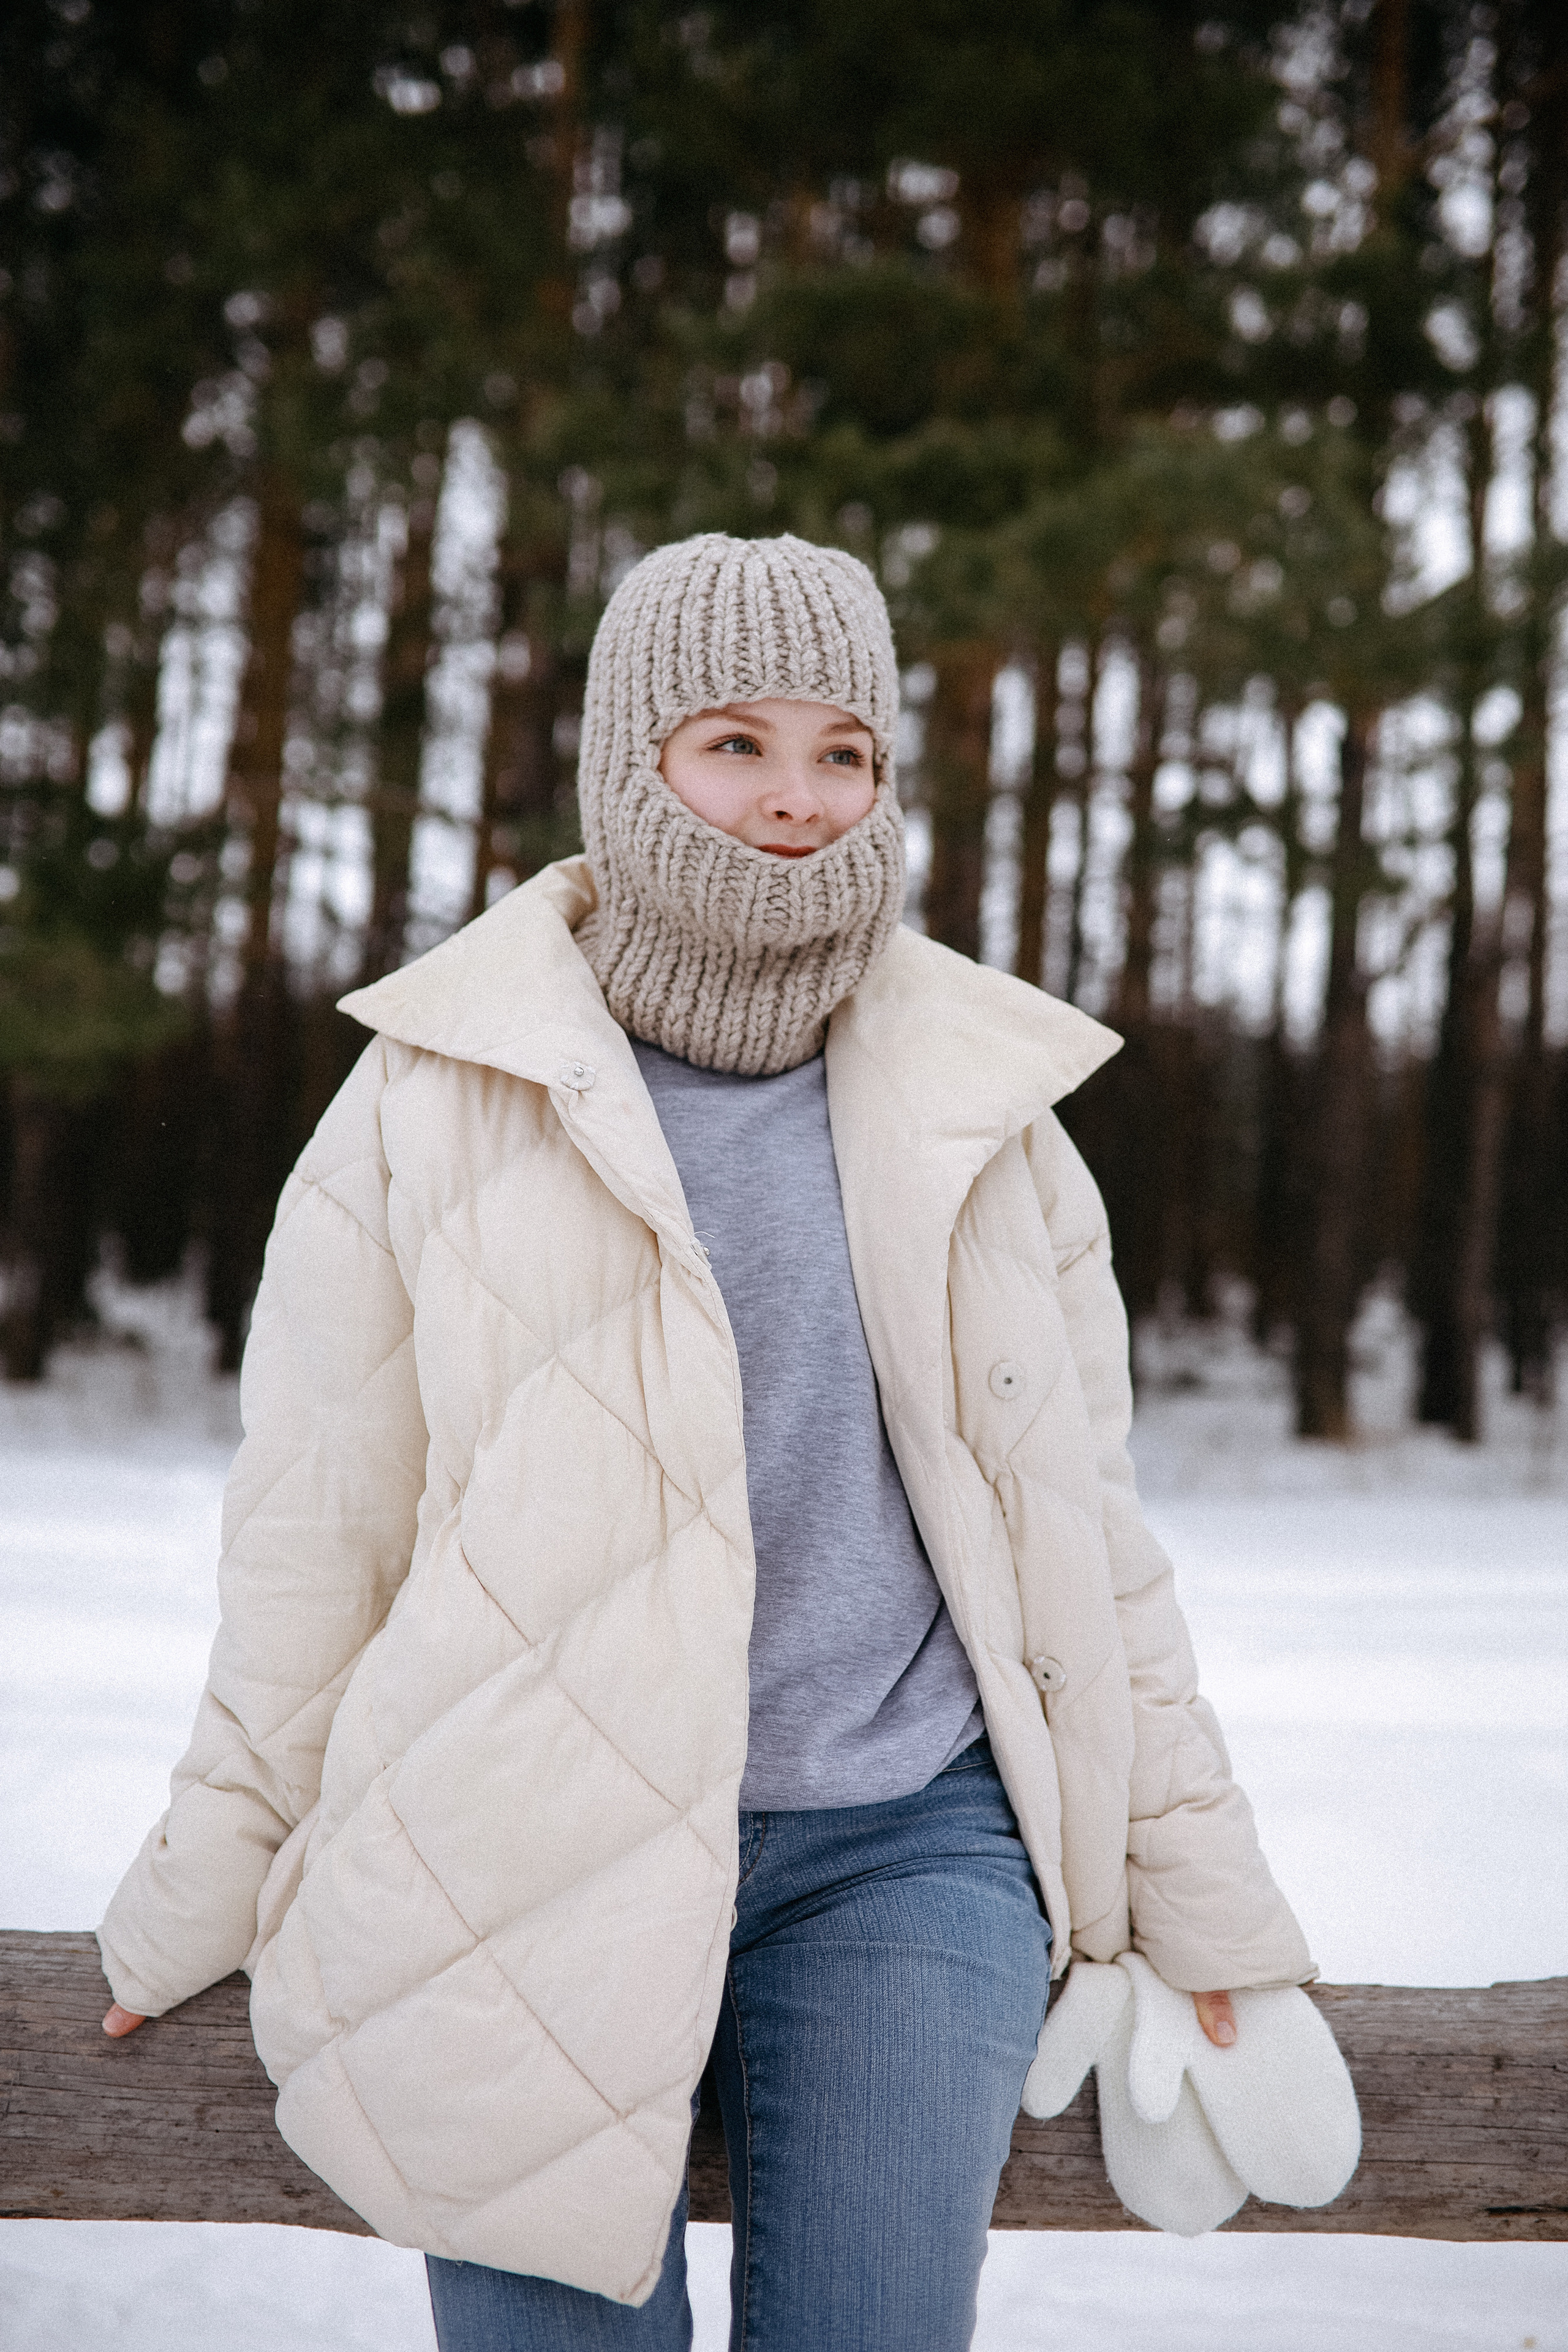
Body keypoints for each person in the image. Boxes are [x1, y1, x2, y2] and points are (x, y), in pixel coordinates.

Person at [99, 533, 1332, 2351]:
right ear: (630, 762)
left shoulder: (989, 1104)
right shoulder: (434, 1089)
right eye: (735, 743)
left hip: (907, 1850)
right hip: (516, 1845)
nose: (795, 800)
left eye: (845, 751)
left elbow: (1089, 1547)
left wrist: (1207, 1901)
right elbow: (317, 1535)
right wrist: (204, 1877)